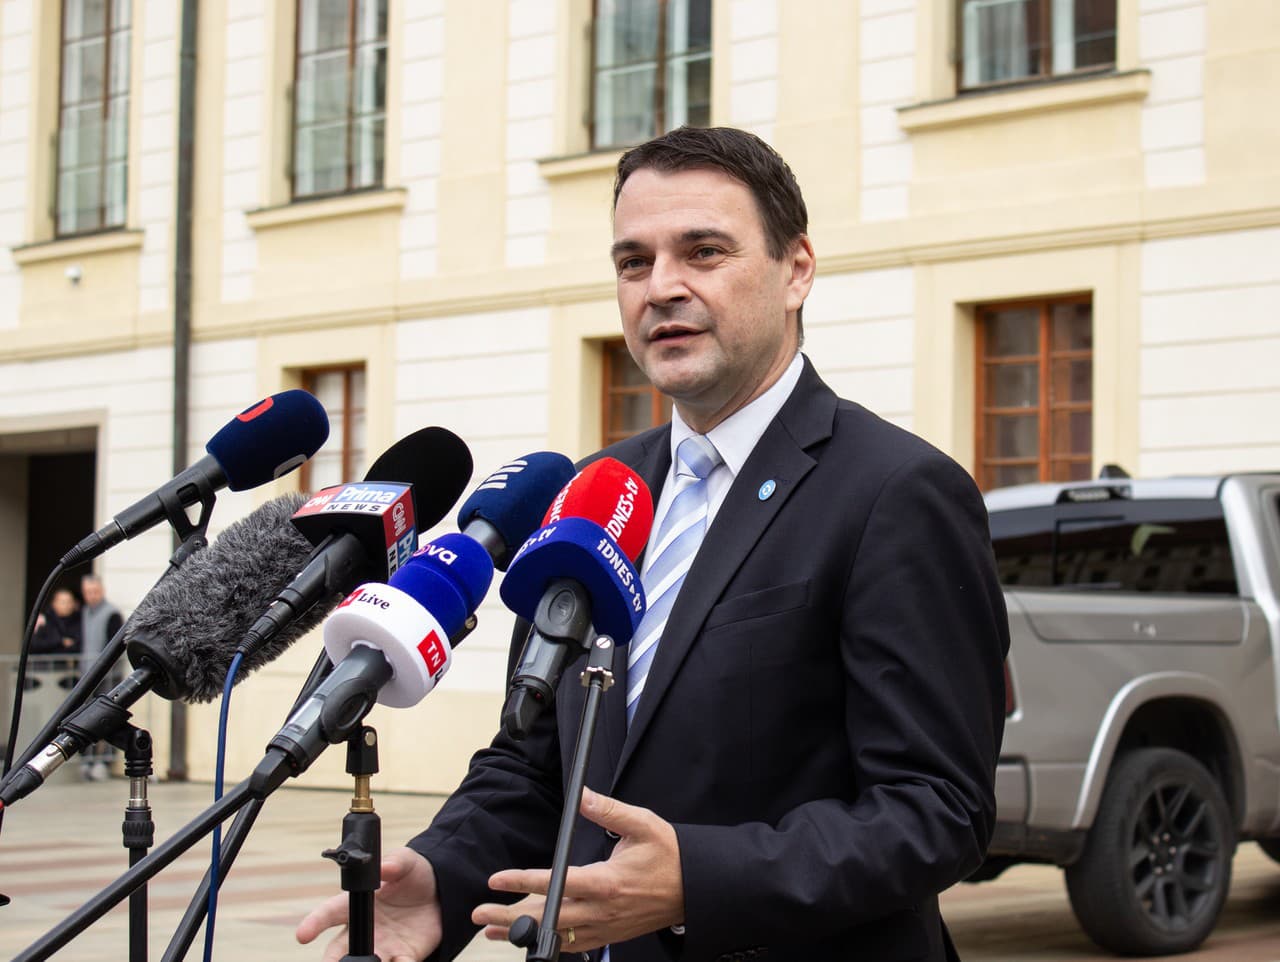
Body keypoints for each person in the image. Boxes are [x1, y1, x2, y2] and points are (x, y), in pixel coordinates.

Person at [298, 126, 1009, 962]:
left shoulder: (896, 491)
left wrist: (697, 882)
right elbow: (536, 763)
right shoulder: (593, 492)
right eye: (633, 262)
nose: (661, 288)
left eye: (703, 252)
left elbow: (938, 810)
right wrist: (444, 877)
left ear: (796, 270)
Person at [79, 573, 124, 781]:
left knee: (107, 718)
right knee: (87, 719)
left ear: (102, 591)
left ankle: (104, 761)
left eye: (95, 591)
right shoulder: (85, 613)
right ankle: (87, 759)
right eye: (88, 592)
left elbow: (114, 646)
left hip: (108, 677)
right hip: (88, 677)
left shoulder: (111, 614)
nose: (92, 596)